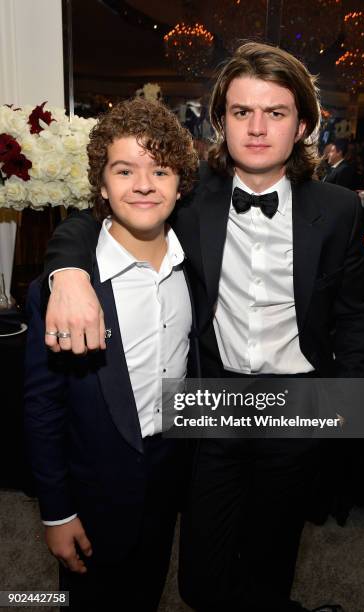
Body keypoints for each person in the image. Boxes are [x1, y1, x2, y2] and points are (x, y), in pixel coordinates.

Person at [41, 42, 364, 612]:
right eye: (242, 112)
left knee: (271, 555)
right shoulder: (192, 196)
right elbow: (96, 213)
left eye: (276, 113)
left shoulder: (338, 208)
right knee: (200, 574)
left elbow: (353, 317)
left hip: (298, 397)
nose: (258, 128)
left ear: (302, 127)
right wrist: (66, 271)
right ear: (221, 121)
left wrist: (346, 413)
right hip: (212, 395)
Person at [24, 97, 198, 610]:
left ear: (180, 184)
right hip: (93, 484)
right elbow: (42, 408)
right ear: (101, 185)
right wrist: (55, 512)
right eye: (124, 171)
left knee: (147, 589)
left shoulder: (196, 266)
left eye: (160, 170)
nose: (143, 185)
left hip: (167, 472)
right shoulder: (63, 291)